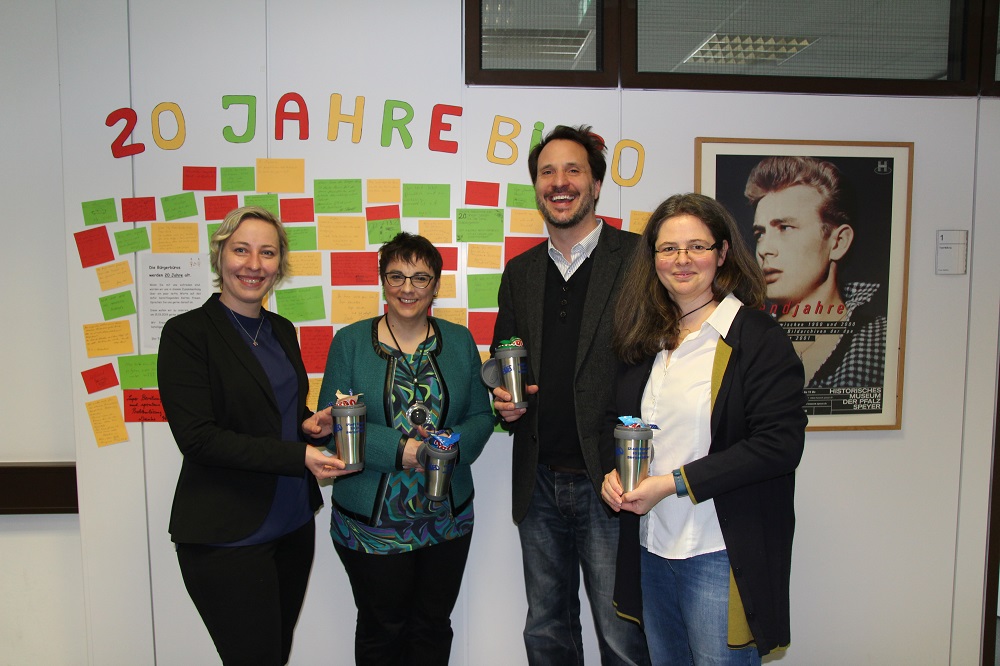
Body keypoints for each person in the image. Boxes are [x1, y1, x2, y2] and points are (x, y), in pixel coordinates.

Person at [601, 193, 806, 665]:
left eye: (697, 246)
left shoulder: (756, 336)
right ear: (652, 259)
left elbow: (779, 444)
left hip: (718, 550)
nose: (682, 260)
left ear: (723, 253)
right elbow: (619, 423)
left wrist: (673, 483)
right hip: (653, 546)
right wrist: (616, 474)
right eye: (668, 248)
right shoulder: (648, 338)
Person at [157, 205, 350, 665]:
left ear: (278, 265)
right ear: (220, 255)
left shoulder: (281, 329)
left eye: (267, 253)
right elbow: (200, 439)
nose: (253, 264)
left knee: (274, 656)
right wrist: (297, 455)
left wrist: (309, 422)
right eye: (241, 250)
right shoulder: (187, 334)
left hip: (292, 525)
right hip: (228, 536)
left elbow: (272, 411)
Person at [492, 124, 651, 665]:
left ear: (597, 184)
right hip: (537, 482)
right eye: (547, 173)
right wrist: (503, 397)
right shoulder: (520, 273)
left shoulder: (638, 260)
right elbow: (503, 357)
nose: (559, 183)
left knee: (621, 635)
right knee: (546, 631)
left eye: (573, 170)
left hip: (609, 480)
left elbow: (657, 365)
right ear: (536, 186)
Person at [312, 232, 494, 664]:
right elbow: (332, 423)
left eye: (420, 277)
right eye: (396, 276)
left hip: (445, 519)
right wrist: (404, 451)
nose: (407, 288)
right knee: (381, 629)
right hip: (371, 525)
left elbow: (481, 418)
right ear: (381, 281)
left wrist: (446, 448)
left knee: (432, 627)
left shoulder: (459, 340)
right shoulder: (351, 342)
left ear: (436, 285)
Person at [745, 155, 887, 388]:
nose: (764, 249)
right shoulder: (745, 337)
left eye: (785, 227)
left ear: (838, 242)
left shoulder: (879, 340)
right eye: (760, 233)